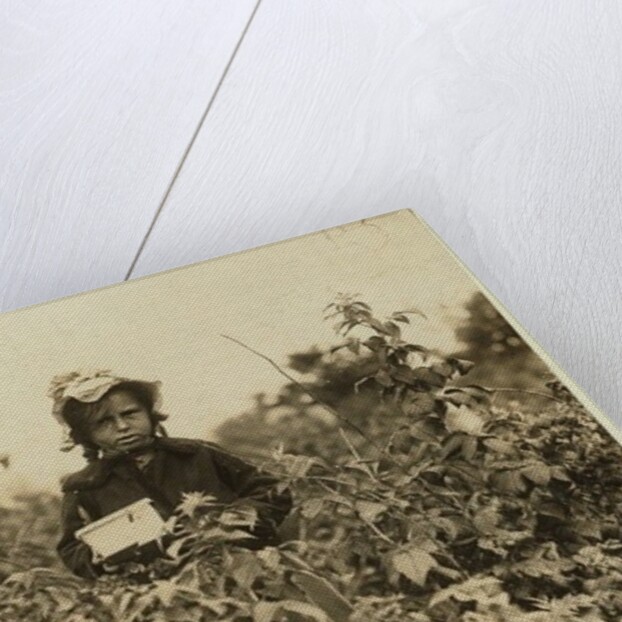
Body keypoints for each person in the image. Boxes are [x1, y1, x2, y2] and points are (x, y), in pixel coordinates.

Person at [49, 370, 293, 579]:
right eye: (104, 422)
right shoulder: (85, 486)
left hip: (244, 567)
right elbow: (71, 549)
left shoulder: (197, 454)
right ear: (86, 435)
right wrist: (101, 558)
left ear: (149, 414)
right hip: (163, 589)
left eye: (130, 414)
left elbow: (271, 490)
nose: (123, 426)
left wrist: (232, 523)